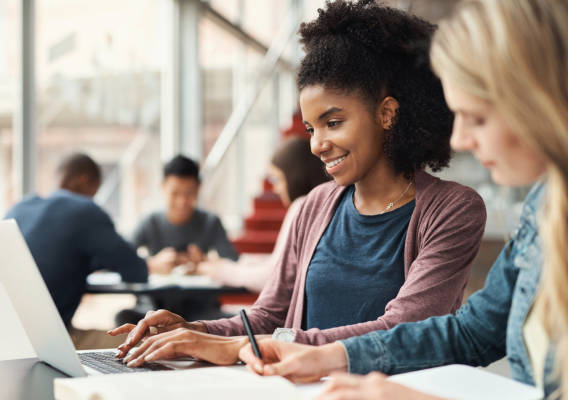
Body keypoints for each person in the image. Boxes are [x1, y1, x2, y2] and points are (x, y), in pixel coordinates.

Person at [238, 1, 568, 399]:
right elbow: (472, 332)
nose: (460, 140)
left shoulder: (456, 208)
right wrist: (332, 356)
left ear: (551, 103)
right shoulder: (547, 208)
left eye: (478, 117)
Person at [108, 0, 487, 368]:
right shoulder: (314, 206)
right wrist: (193, 331)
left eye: (333, 122)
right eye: (310, 128)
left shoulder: (453, 210)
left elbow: (403, 331)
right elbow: (270, 315)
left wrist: (252, 346)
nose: (317, 144)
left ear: (386, 114)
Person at [4, 153, 148, 349]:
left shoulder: (18, 209)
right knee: (151, 343)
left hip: (7, 340)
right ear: (85, 180)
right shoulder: (85, 211)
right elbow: (137, 271)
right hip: (48, 345)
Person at [198, 136, 330, 293]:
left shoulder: (302, 206)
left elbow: (273, 277)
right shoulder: (320, 204)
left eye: (278, 179)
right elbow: (280, 263)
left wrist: (220, 271)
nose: (275, 189)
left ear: (295, 176)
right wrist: (237, 263)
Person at [132, 154, 238, 273]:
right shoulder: (149, 222)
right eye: (175, 193)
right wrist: (153, 264)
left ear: (198, 189)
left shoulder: (211, 222)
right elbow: (122, 258)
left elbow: (233, 262)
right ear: (163, 187)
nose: (182, 202)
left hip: (200, 290)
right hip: (157, 291)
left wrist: (204, 262)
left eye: (189, 193)